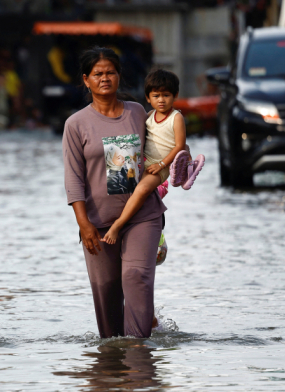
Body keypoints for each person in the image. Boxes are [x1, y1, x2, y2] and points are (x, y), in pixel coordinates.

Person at [63, 47, 166, 339]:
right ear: (86, 80)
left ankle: (138, 352)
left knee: (136, 278)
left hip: (142, 216)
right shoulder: (76, 124)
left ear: (119, 76)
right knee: (107, 293)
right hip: (98, 221)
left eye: (110, 72)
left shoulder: (137, 113)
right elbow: (73, 180)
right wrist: (84, 225)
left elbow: (159, 155)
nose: (105, 78)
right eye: (98, 74)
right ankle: (111, 367)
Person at [102, 70, 205, 245]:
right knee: (119, 180)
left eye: (166, 95)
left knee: (142, 189)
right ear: (148, 98)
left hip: (162, 166)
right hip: (145, 160)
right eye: (156, 96)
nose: (161, 100)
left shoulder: (176, 118)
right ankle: (113, 218)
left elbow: (179, 145)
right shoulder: (149, 116)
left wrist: (162, 164)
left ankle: (117, 225)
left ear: (175, 96)